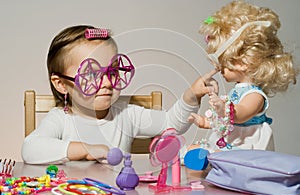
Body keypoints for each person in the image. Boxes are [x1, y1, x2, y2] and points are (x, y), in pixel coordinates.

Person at [21, 25, 218, 164]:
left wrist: (192, 95)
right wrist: (84, 149)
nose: (107, 83)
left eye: (113, 72)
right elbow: (30, 149)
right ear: (61, 84)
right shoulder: (60, 119)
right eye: (91, 74)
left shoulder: (126, 114)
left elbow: (170, 123)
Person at [188, 0, 298, 152]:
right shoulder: (237, 90)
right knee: (197, 149)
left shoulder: (255, 95)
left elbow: (241, 113)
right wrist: (205, 121)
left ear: (242, 62)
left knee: (216, 156)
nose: (218, 68)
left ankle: (210, 158)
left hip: (246, 147)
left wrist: (223, 108)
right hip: (231, 139)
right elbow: (226, 121)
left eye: (222, 63)